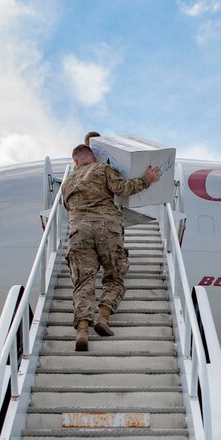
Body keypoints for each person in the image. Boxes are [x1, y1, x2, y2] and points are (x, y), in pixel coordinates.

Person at [62, 143, 160, 350]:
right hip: (107, 229)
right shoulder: (102, 169)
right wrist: (147, 179)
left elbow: (67, 207)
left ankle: (82, 330)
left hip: (78, 232)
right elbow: (121, 189)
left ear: (75, 161)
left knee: (83, 280)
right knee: (114, 275)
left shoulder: (67, 182)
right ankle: (103, 318)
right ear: (93, 157)